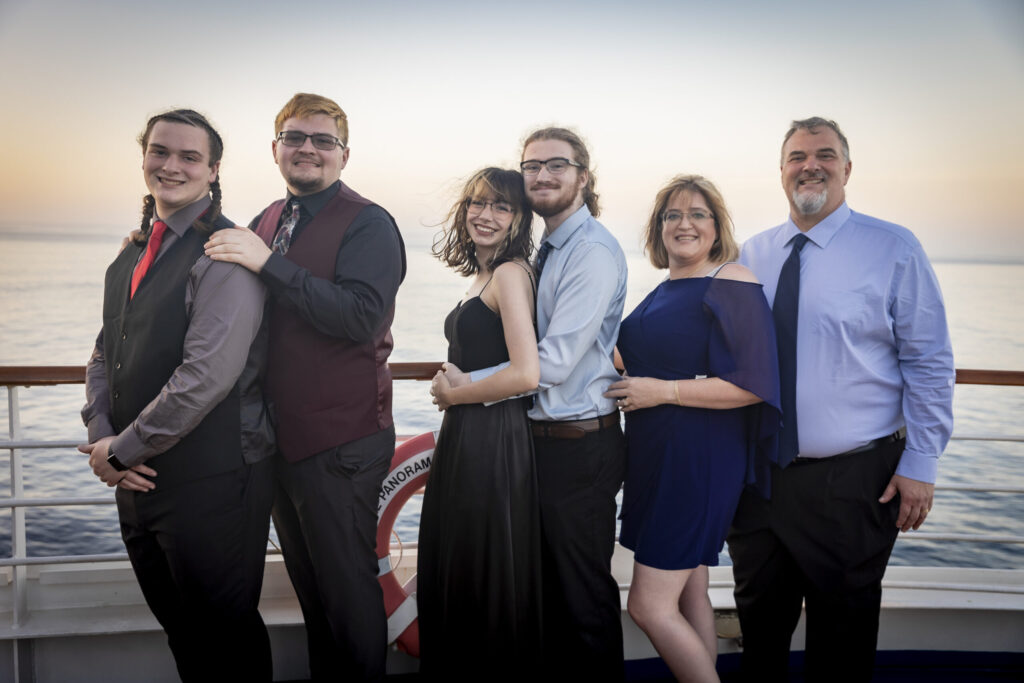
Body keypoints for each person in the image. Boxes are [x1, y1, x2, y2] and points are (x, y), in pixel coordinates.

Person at [726, 117, 955, 681]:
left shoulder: (893, 249)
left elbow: (928, 361)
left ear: (847, 169)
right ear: (781, 172)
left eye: (825, 155)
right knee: (760, 632)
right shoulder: (750, 255)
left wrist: (920, 464)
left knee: (843, 644)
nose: (811, 165)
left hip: (853, 483)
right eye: (797, 156)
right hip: (760, 482)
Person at [204, 93, 406, 681]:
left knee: (346, 597)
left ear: (344, 155)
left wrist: (270, 264)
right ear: (275, 149)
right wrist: (147, 242)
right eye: (295, 138)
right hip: (279, 440)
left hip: (342, 441)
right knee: (313, 597)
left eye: (323, 141)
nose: (308, 150)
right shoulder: (267, 219)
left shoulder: (369, 222)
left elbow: (362, 317)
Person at [80, 109, 275, 682]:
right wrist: (101, 437)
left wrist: (122, 452)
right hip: (136, 478)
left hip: (213, 482)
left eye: (190, 157)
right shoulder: (133, 253)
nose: (172, 165)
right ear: (144, 157)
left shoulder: (225, 254)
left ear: (213, 171)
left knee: (224, 640)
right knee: (184, 637)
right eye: (160, 151)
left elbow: (206, 377)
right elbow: (102, 352)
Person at [438, 127, 629, 679]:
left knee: (580, 600)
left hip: (579, 446)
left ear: (582, 178)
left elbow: (552, 363)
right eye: (533, 166)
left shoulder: (590, 252)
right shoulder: (547, 249)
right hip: (535, 444)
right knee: (541, 597)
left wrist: (461, 388)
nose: (543, 175)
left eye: (557, 165)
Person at [604, 175, 781, 682]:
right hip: (658, 457)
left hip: (696, 461)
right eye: (672, 215)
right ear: (658, 229)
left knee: (648, 607)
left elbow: (752, 384)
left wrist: (660, 391)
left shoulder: (732, 279)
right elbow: (635, 358)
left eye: (698, 214)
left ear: (717, 226)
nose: (684, 224)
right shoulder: (665, 289)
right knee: (689, 591)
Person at [422, 167, 543, 678]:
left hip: (493, 439)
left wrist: (457, 392)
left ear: (518, 219)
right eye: (477, 203)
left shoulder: (511, 273)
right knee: (461, 561)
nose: (484, 215)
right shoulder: (483, 274)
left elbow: (526, 372)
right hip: (468, 434)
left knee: (484, 568)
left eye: (500, 206)